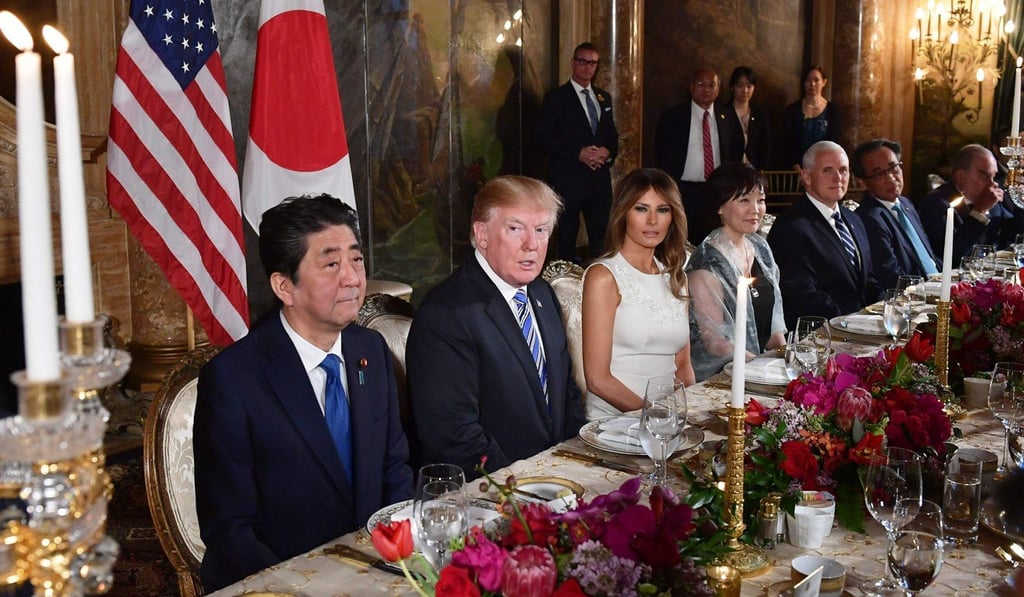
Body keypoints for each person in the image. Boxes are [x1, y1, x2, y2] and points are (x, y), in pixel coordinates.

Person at [194, 195, 413, 591]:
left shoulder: (370, 350)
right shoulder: (232, 380)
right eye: (331, 264)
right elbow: (230, 530)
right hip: (280, 582)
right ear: (284, 286)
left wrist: (393, 557)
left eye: (356, 260)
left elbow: (394, 467)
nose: (352, 278)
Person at [407, 176, 587, 479]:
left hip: (554, 480)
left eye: (541, 230)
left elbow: (566, 394)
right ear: (482, 235)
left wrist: (572, 467)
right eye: (515, 229)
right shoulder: (446, 314)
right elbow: (455, 437)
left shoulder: (541, 293)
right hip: (494, 494)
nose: (532, 244)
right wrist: (524, 488)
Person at [580, 168, 696, 420]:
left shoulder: (676, 277)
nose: (653, 221)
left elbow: (684, 366)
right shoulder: (603, 276)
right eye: (641, 209)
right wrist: (654, 416)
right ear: (623, 213)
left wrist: (688, 415)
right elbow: (597, 379)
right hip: (614, 421)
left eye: (663, 210)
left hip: (668, 418)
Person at [687, 163, 787, 381]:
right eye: (744, 200)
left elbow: (774, 329)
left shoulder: (759, 247)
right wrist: (758, 369)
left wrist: (785, 359)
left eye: (760, 200)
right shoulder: (707, 262)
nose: (756, 209)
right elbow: (714, 342)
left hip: (763, 368)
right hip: (725, 377)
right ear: (720, 207)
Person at [767, 141, 878, 329]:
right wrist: (852, 324)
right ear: (807, 177)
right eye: (828, 170)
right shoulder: (790, 227)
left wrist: (884, 309)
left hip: (862, 328)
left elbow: (868, 280)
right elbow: (805, 295)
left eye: (843, 170)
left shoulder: (854, 218)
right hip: (821, 336)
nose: (838, 178)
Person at [537, 42, 619, 261]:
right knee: (566, 237)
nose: (587, 67)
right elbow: (544, 138)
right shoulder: (556, 98)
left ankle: (600, 281)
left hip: (598, 181)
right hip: (568, 179)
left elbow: (611, 135)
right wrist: (578, 153)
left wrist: (606, 153)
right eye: (582, 61)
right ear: (573, 63)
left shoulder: (603, 98)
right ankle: (563, 286)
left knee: (602, 239)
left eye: (592, 63)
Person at [655, 67, 740, 244]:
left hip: (716, 189)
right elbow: (661, 150)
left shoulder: (728, 116)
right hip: (682, 189)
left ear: (718, 89)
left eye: (711, 85)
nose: (706, 89)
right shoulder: (673, 116)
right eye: (701, 84)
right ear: (692, 87)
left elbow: (736, 149)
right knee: (681, 238)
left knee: (713, 239)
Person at [853, 139, 940, 292]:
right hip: (912, 298)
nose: (892, 178)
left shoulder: (905, 204)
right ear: (863, 182)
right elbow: (891, 277)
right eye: (879, 174)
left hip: (935, 285)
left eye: (894, 168)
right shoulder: (868, 218)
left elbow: (928, 258)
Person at [919, 143, 1015, 266]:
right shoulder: (935, 204)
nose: (993, 184)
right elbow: (951, 255)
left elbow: (1012, 234)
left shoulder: (991, 201)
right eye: (984, 175)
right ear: (961, 176)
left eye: (994, 176)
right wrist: (979, 212)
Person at [780, 65, 842, 170]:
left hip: (825, 168)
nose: (812, 84)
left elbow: (835, 142)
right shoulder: (792, 110)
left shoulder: (833, 111)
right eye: (808, 80)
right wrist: (796, 167)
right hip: (795, 170)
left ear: (824, 82)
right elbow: (787, 142)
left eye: (816, 80)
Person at [723, 66, 772, 170]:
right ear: (732, 87)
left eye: (749, 86)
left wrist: (762, 169)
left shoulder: (760, 114)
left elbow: (766, 146)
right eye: (740, 86)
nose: (745, 90)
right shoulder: (724, 113)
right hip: (730, 171)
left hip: (755, 170)